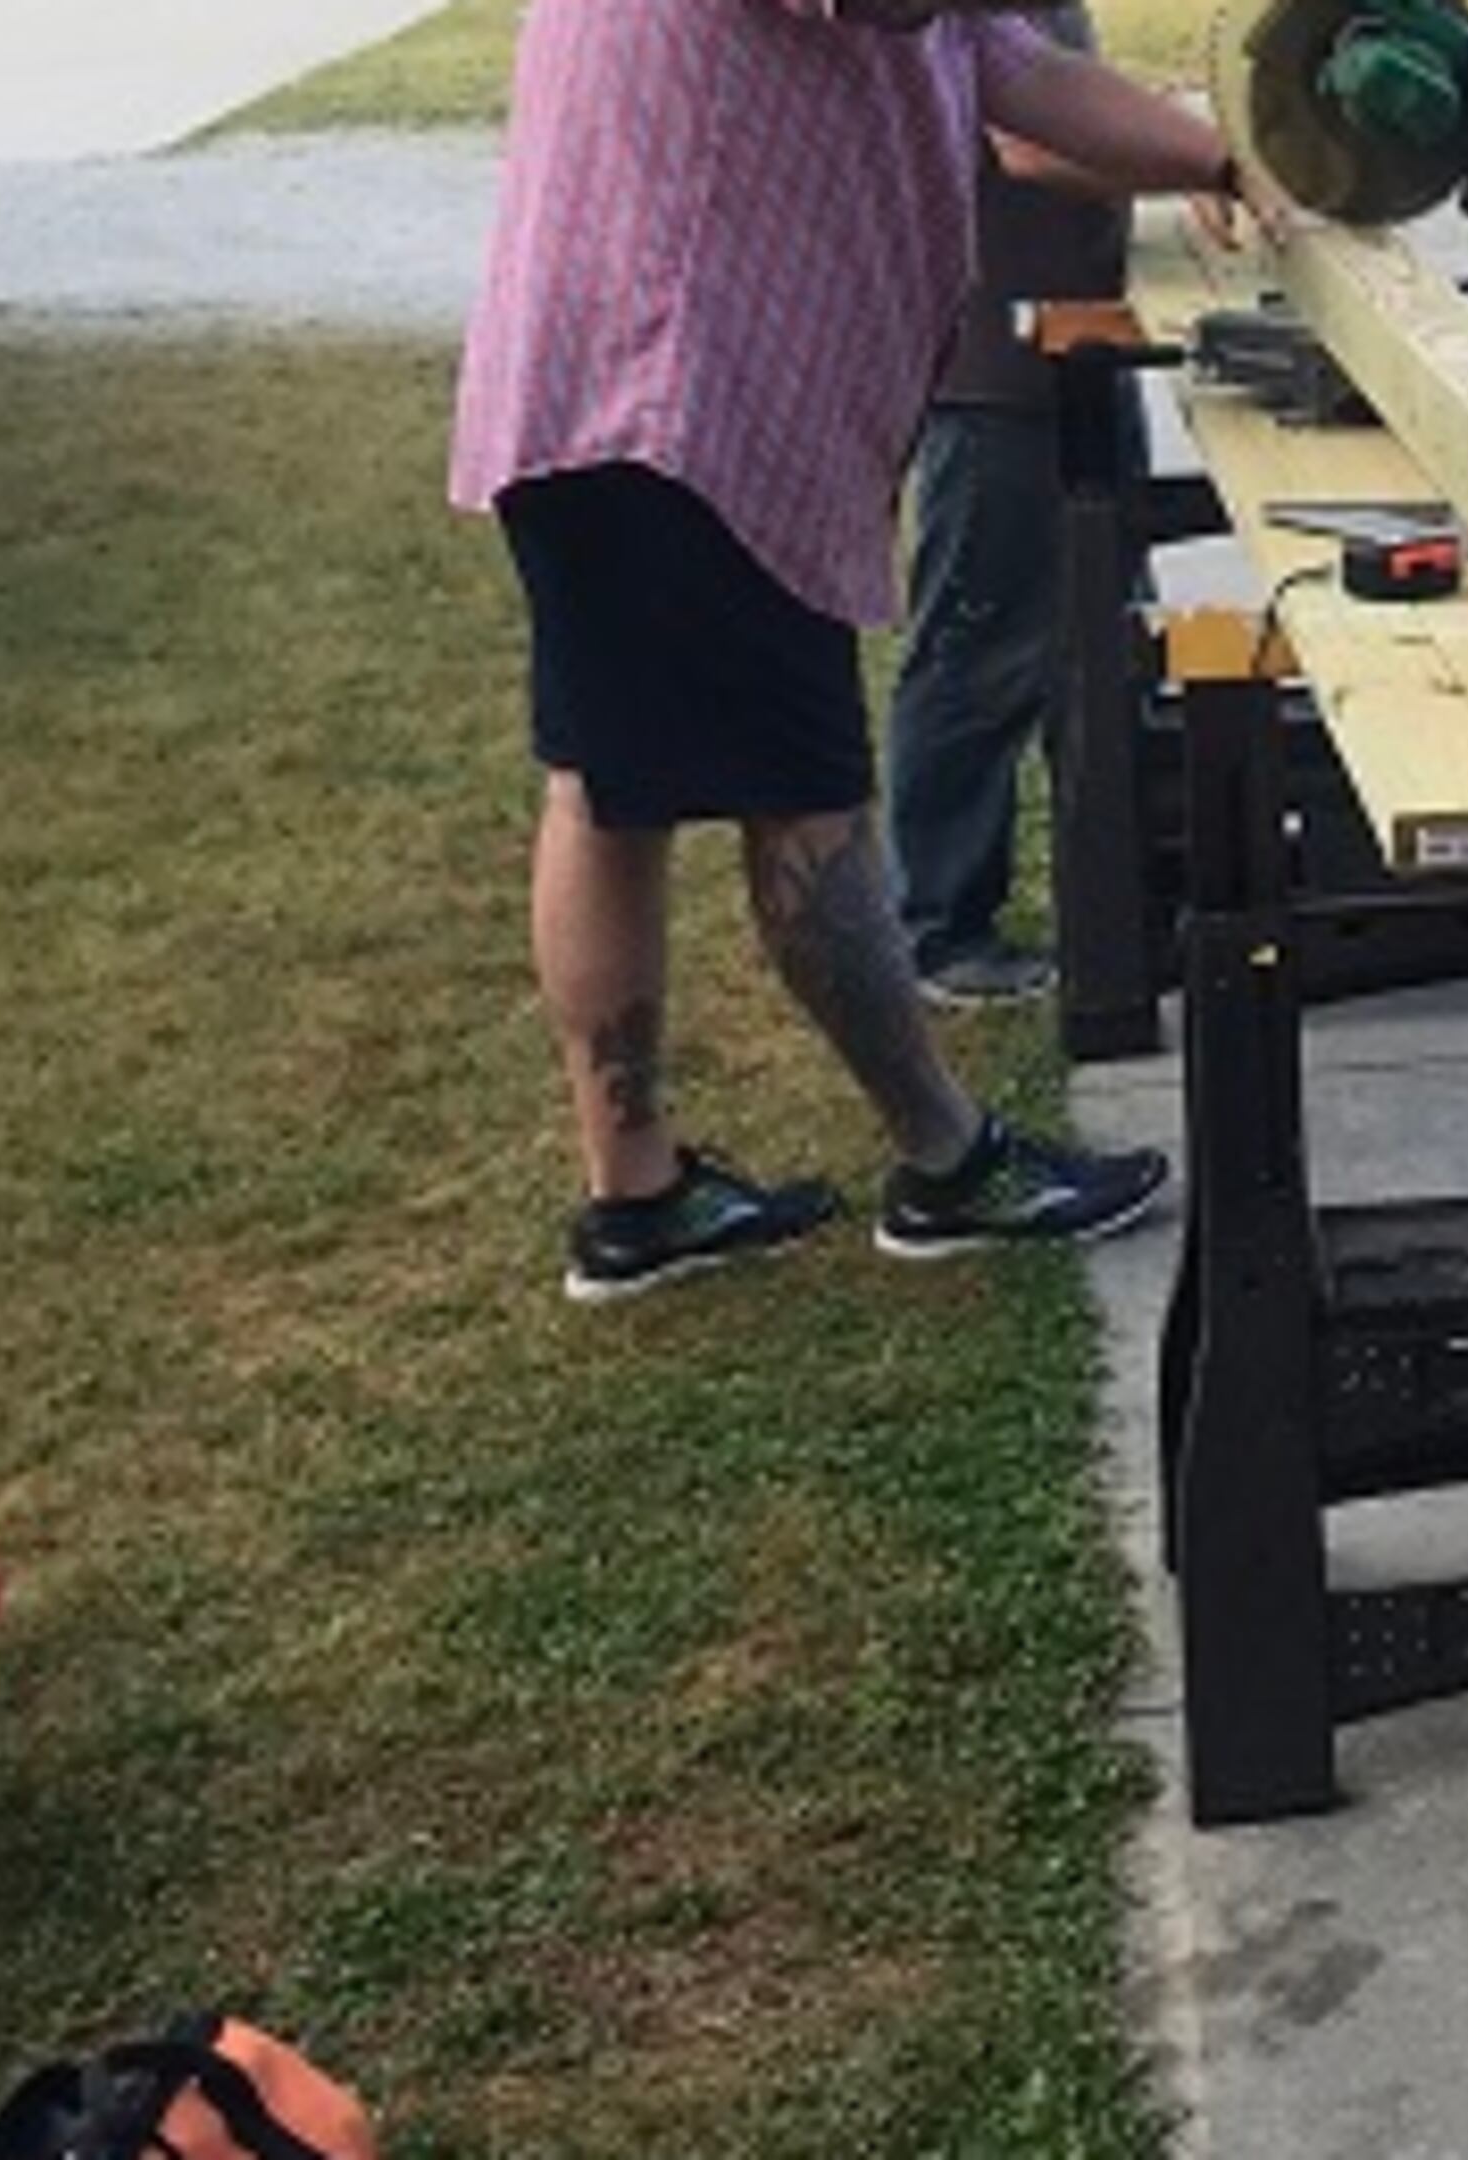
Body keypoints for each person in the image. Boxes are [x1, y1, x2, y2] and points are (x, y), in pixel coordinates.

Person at [450, 0, 1243, 1301]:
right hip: (687, 392)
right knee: (801, 799)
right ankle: (948, 1164)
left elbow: (1013, 69)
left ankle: (636, 1197)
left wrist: (1224, 157)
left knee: (606, 782)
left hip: (623, 383)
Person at [886, 3, 1129, 1012]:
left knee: (1093, 652)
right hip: (994, 373)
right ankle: (942, 932)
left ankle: (1110, 899)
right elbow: (1028, 141)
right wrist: (1212, 161)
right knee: (977, 658)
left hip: (1069, 355)